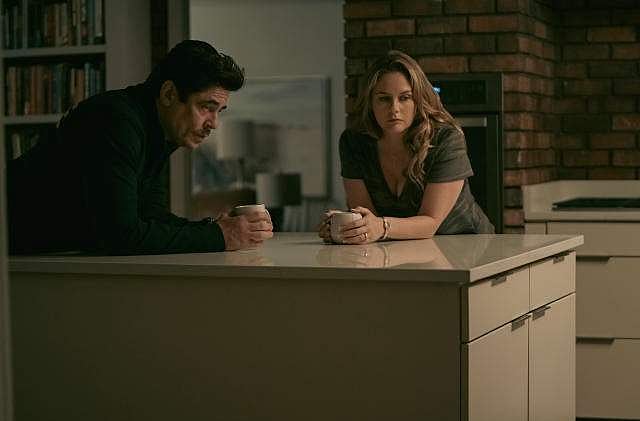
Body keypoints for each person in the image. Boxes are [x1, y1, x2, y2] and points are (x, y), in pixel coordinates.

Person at [7, 40, 273, 255]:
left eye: (219, 111)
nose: (213, 124)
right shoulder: (116, 121)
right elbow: (121, 235)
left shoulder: (155, 130)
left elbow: (150, 217)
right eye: (206, 107)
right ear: (169, 94)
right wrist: (219, 236)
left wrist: (215, 228)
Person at [318, 50, 493, 244]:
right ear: (370, 103)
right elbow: (366, 217)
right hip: (400, 247)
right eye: (384, 99)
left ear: (418, 100)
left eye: (404, 98)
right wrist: (346, 229)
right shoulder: (354, 142)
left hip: (467, 246)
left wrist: (381, 226)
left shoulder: (446, 138)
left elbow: (430, 222)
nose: (394, 108)